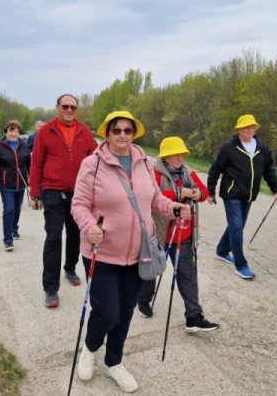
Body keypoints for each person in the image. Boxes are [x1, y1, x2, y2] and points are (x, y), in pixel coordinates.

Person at [71, 111, 190, 393]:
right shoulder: (92, 164)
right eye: (117, 130)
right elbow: (79, 204)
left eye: (128, 130)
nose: (123, 135)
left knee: (125, 312)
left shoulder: (144, 162)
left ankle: (114, 362)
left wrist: (173, 208)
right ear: (107, 134)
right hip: (102, 252)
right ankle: (89, 348)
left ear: (134, 133)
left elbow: (154, 199)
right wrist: (89, 227)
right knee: (107, 312)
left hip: (139, 253)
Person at [136, 137, 219, 331]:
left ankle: (194, 316)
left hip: (183, 234)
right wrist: (178, 194)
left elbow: (204, 192)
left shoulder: (188, 172)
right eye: (175, 154)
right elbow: (150, 196)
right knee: (151, 271)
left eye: (182, 154)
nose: (180, 157)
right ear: (165, 156)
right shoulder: (154, 172)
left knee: (187, 274)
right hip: (159, 233)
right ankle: (143, 300)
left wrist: (198, 193)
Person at [29, 94, 97, 307]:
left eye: (73, 107)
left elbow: (97, 160)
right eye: (65, 106)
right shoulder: (46, 131)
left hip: (79, 194)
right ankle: (50, 288)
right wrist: (34, 193)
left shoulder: (85, 132)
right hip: (53, 192)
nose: (69, 110)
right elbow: (36, 163)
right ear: (58, 107)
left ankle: (70, 268)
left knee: (76, 235)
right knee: (54, 237)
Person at [207, 114, 277, 279]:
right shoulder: (228, 147)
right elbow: (215, 169)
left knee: (237, 226)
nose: (249, 130)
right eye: (246, 127)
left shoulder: (262, 148)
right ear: (239, 129)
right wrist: (210, 191)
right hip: (231, 194)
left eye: (252, 127)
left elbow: (269, 170)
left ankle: (222, 251)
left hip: (249, 195)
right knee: (236, 227)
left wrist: (276, 188)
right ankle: (241, 265)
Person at [0, 120, 31, 251]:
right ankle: (8, 240)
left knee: (17, 209)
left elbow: (30, 165)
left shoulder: (24, 146)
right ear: (6, 132)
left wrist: (32, 181)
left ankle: (14, 228)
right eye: (11, 131)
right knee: (9, 209)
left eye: (16, 131)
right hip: (5, 184)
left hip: (21, 184)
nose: (14, 134)